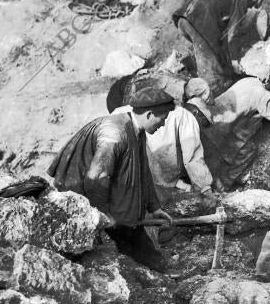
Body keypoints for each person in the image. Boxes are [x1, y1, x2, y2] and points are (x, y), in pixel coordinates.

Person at [48, 81, 175, 272]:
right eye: (162, 119)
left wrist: (154, 207)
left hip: (109, 198)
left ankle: (156, 270)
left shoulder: (137, 131)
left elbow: (143, 172)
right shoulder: (115, 134)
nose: (163, 124)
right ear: (149, 115)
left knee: (133, 239)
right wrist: (104, 213)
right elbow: (96, 178)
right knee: (115, 245)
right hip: (82, 193)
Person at [113, 77, 218, 210]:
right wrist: (205, 189)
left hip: (128, 182)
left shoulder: (121, 112)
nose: (202, 126)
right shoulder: (185, 117)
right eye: (203, 121)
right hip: (154, 183)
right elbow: (193, 158)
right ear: (196, 112)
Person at [202, 77, 270, 190]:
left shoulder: (251, 80)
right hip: (218, 133)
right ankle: (222, 186)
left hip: (207, 120)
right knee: (247, 151)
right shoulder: (263, 96)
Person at [173, 0, 263, 96]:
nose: (249, 8)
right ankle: (217, 93)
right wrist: (234, 59)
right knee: (212, 63)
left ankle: (202, 87)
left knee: (206, 55)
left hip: (183, 18)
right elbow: (233, 32)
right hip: (197, 19)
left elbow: (224, 33)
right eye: (252, 5)